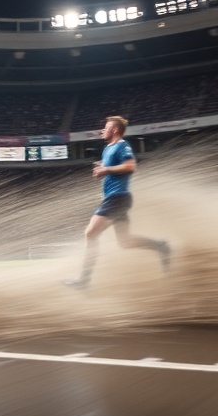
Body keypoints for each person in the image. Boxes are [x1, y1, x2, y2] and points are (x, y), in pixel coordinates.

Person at [65, 115, 170, 288]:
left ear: (114, 130)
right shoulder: (108, 149)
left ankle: (84, 279)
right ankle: (160, 245)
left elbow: (130, 166)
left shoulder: (122, 145)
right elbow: (112, 170)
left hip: (118, 197)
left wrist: (106, 169)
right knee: (125, 242)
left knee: (90, 233)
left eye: (106, 128)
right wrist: (102, 169)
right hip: (116, 199)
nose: (102, 130)